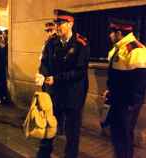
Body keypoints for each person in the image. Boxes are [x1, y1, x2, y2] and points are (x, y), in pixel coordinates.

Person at [38, 9, 90, 158]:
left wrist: (56, 78)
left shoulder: (81, 44)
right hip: (54, 94)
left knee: (72, 133)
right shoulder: (51, 42)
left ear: (70, 24)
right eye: (56, 23)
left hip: (73, 94)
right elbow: (44, 62)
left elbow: (79, 71)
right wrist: (42, 74)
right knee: (49, 128)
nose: (57, 26)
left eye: (61, 23)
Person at [104, 18, 146, 158]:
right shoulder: (120, 48)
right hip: (118, 99)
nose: (110, 35)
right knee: (117, 134)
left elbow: (139, 81)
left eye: (112, 32)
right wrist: (110, 91)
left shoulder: (135, 49)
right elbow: (117, 77)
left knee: (124, 136)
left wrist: (131, 105)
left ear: (119, 33)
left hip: (127, 102)